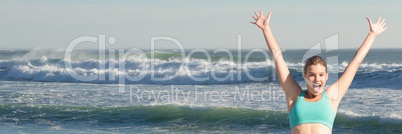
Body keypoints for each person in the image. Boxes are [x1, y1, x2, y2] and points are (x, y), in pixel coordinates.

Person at [250, 10, 387, 134]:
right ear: (305, 76)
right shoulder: (294, 96)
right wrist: (266, 29)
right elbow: (278, 58)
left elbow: (355, 64)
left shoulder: (332, 97)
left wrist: (372, 35)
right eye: (312, 75)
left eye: (321, 75)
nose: (317, 79)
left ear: (326, 77)